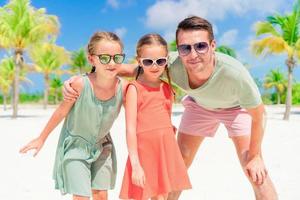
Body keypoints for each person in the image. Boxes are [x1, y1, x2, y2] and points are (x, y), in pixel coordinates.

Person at [62, 16, 278, 199]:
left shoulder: (235, 74)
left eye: (200, 46)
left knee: (252, 168)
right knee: (179, 162)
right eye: (185, 48)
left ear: (212, 45)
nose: (193, 54)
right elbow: (125, 69)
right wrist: (79, 80)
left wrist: (256, 155)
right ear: (178, 50)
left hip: (235, 109)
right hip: (199, 106)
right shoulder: (167, 62)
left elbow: (259, 115)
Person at [20, 31, 127, 200]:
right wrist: (41, 138)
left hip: (103, 146)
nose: (112, 63)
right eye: (105, 58)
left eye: (117, 57)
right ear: (92, 59)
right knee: (81, 196)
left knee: (101, 195)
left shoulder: (124, 87)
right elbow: (62, 111)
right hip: (76, 147)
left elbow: (136, 115)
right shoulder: (79, 84)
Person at [119, 33, 191, 200]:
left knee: (162, 197)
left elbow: (166, 120)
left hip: (164, 151)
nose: (154, 66)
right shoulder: (134, 88)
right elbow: (130, 129)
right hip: (144, 154)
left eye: (160, 61)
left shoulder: (167, 88)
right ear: (139, 61)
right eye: (147, 61)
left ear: (166, 60)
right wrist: (135, 164)